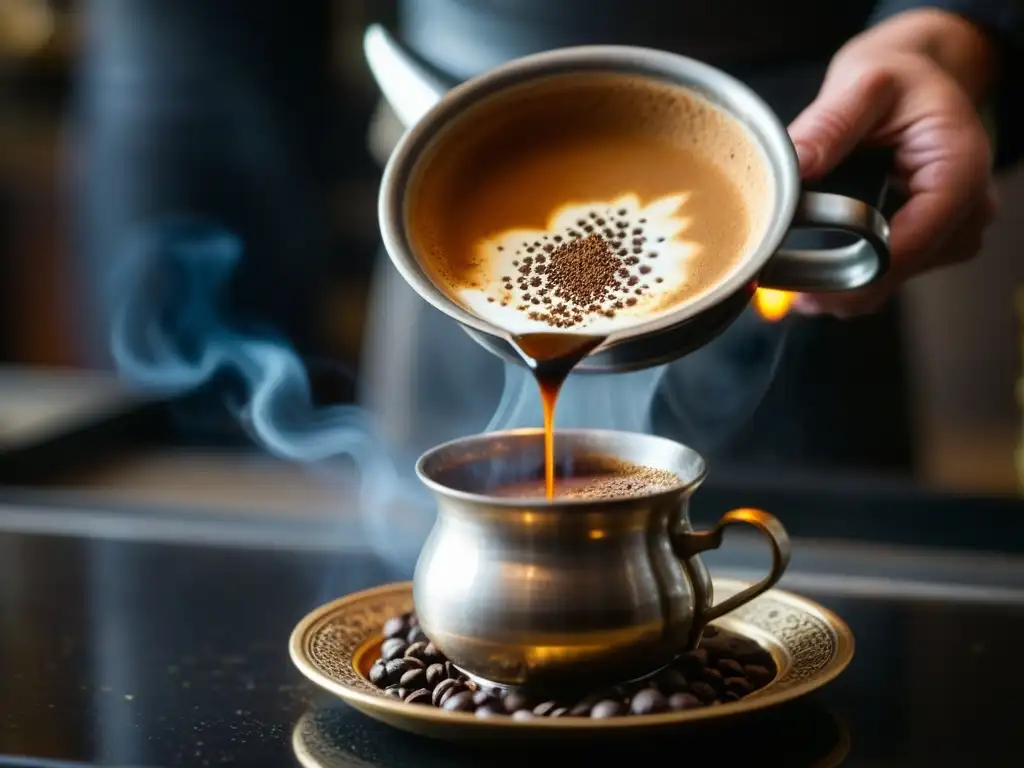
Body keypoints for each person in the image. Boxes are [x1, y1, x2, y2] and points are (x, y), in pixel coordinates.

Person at [75, 1, 1022, 469]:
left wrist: (955, 33)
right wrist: (187, 448)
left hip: (798, 224)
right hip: (451, 242)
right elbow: (192, 72)